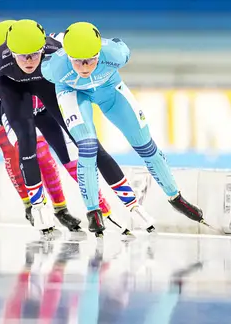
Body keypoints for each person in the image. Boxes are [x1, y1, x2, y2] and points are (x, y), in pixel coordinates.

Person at [0, 19, 156, 236]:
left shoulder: (55, 45)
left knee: (86, 144)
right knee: (26, 143)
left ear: (42, 47)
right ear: (8, 51)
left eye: (34, 54)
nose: (29, 61)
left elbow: (87, 41)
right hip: (15, 93)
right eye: (22, 56)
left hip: (45, 92)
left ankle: (127, 206)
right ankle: (37, 207)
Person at [41, 22, 204, 234]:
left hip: (109, 90)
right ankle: (93, 211)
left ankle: (176, 198)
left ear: (99, 54)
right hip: (73, 93)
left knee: (145, 144)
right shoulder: (53, 68)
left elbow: (119, 47)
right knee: (88, 147)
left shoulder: (115, 53)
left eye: (91, 60)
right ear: (68, 57)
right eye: (78, 62)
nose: (85, 67)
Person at [0, 21, 82, 232]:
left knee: (41, 150)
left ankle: (60, 208)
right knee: (9, 146)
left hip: (10, 103)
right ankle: (30, 204)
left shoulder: (26, 56)